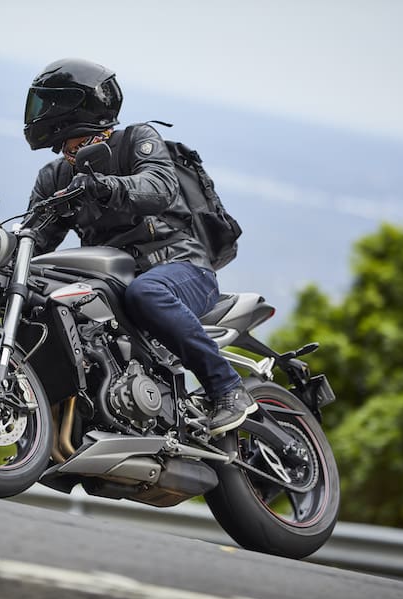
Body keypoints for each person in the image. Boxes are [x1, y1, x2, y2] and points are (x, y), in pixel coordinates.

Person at [23, 58, 256, 436]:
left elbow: (159, 188)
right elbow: (35, 235)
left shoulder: (137, 140)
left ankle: (228, 388)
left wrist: (107, 187)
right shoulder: (55, 176)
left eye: (50, 103)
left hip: (180, 266)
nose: (41, 111)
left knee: (146, 293)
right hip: (116, 279)